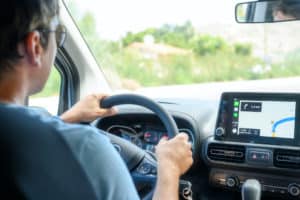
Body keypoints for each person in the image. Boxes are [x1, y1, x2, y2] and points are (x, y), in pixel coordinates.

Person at [0, 0, 193, 200]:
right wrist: (169, 168)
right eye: (58, 35)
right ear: (35, 46)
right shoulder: (87, 149)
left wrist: (67, 118)